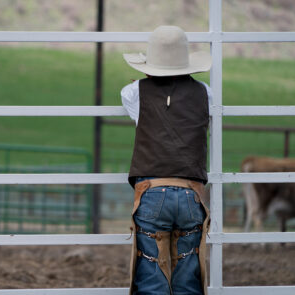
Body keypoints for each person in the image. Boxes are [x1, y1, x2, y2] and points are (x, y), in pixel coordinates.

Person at [121, 26, 212, 295]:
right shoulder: (205, 93)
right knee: (188, 276)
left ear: (150, 65)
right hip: (190, 192)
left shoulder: (133, 91)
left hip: (151, 190)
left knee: (151, 276)